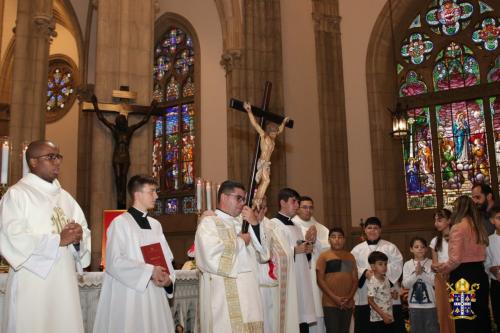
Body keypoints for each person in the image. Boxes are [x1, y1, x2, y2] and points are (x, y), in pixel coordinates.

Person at [0, 140, 91, 333]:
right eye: (50, 157)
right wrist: (58, 240)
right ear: (33, 162)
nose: (57, 162)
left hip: (64, 282)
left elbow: (83, 231)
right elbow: (13, 237)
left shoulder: (65, 198)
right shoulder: (17, 195)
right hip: (32, 284)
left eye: (58, 156)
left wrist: (78, 238)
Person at [93, 175, 175, 332]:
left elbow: (167, 260)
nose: (156, 196)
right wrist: (149, 271)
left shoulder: (156, 225)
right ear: (137, 194)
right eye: (152, 191)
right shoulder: (120, 223)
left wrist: (168, 281)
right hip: (130, 296)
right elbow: (114, 262)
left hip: (156, 295)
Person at [195, 180, 265, 332]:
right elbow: (211, 257)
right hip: (225, 295)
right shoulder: (210, 223)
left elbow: (264, 253)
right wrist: (240, 241)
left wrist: (255, 224)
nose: (242, 203)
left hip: (250, 291)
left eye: (244, 199)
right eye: (238, 198)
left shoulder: (245, 222)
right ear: (224, 197)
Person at [435, 195, 491, 333]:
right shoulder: (478, 227)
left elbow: (455, 259)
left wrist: (443, 268)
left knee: (464, 316)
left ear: (458, 209)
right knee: (481, 315)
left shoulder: (458, 228)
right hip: (479, 274)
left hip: (462, 279)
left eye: (454, 208)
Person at [92, 95, 156, 209]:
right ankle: (120, 196)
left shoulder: (129, 130)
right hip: (117, 156)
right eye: (120, 121)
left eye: (123, 121)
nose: (122, 122)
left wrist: (152, 107)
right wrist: (95, 104)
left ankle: (122, 197)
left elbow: (144, 121)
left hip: (125, 156)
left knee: (124, 177)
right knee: (117, 177)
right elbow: (101, 118)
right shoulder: (114, 129)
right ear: (117, 122)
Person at [272, 188, 316, 332]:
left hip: (301, 279)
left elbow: (301, 255)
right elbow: (274, 254)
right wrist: (295, 251)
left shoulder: (296, 226)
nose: (297, 205)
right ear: (282, 203)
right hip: (288, 281)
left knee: (302, 320)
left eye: (297, 201)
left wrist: (308, 250)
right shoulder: (273, 224)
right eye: (294, 201)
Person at [351, 217, 403, 333]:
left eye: (376, 228)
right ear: (365, 230)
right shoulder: (357, 250)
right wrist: (364, 273)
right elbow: (352, 267)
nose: (372, 230)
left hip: (387, 295)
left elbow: (397, 265)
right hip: (364, 295)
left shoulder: (390, 247)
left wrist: (380, 276)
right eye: (369, 228)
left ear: (380, 230)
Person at [256, 195, 300, 333]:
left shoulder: (271, 225)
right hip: (256, 288)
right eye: (256, 208)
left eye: (263, 207)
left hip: (274, 286)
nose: (260, 211)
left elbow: (284, 252)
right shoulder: (244, 224)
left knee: (273, 324)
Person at [292, 196, 330, 333]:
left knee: (318, 309)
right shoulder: (291, 226)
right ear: (298, 209)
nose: (308, 210)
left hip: (317, 277)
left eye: (311, 207)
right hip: (300, 276)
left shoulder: (322, 229)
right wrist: (306, 243)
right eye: (304, 207)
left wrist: (315, 243)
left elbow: (328, 253)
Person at [243, 101, 289, 210]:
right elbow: (255, 124)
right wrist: (249, 111)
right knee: (266, 181)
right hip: (263, 162)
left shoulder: (273, 138)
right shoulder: (264, 136)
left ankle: (258, 199)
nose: (275, 134)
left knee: (266, 181)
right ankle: (257, 200)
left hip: (268, 163)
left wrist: (283, 122)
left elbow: (280, 130)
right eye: (273, 133)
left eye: (275, 133)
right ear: (269, 132)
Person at [316, 227, 357, 333]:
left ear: (344, 240)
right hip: (330, 303)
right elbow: (320, 280)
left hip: (347, 303)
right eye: (333, 237)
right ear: (329, 240)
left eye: (340, 237)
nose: (337, 240)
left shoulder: (349, 256)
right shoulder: (324, 256)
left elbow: (354, 280)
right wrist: (335, 298)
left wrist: (348, 298)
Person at [402, 237, 439, 333]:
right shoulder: (407, 264)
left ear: (426, 249)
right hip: (414, 306)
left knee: (432, 329)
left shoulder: (432, 263)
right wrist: (416, 274)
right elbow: (405, 284)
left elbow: (435, 282)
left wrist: (422, 273)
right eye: (416, 247)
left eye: (422, 247)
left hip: (430, 305)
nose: (420, 249)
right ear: (411, 249)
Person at [429, 208, 454, 333]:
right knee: (444, 311)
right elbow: (434, 263)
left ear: (449, 220)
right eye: (435, 221)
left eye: (440, 220)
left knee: (459, 309)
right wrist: (437, 267)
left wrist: (448, 267)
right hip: (442, 278)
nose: (436, 223)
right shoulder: (435, 241)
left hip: (456, 276)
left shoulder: (456, 237)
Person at [367, 251, 397, 333]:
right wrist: (383, 315)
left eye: (385, 264)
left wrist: (393, 295)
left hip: (389, 316)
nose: (384, 267)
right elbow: (370, 300)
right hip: (378, 319)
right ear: (373, 266)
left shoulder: (386, 279)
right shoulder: (373, 281)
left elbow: (384, 294)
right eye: (380, 264)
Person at [485, 204, 500, 331]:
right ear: (492, 221)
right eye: (499, 218)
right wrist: (491, 269)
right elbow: (486, 263)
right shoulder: (489, 240)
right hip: (497, 283)